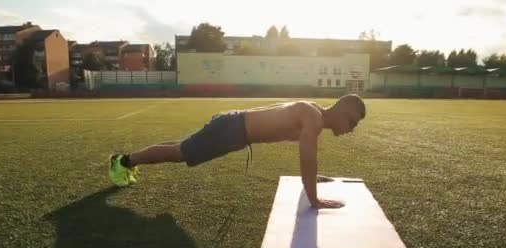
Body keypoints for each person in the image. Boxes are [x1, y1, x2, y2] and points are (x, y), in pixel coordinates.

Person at [109, 94, 366, 209]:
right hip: (230, 130)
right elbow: (308, 157)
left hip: (232, 128)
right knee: (180, 153)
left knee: (180, 149)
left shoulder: (311, 111)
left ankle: (129, 160)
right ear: (342, 111)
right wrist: (314, 199)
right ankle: (123, 161)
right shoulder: (313, 117)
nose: (351, 129)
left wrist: (313, 178)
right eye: (352, 122)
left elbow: (301, 147)